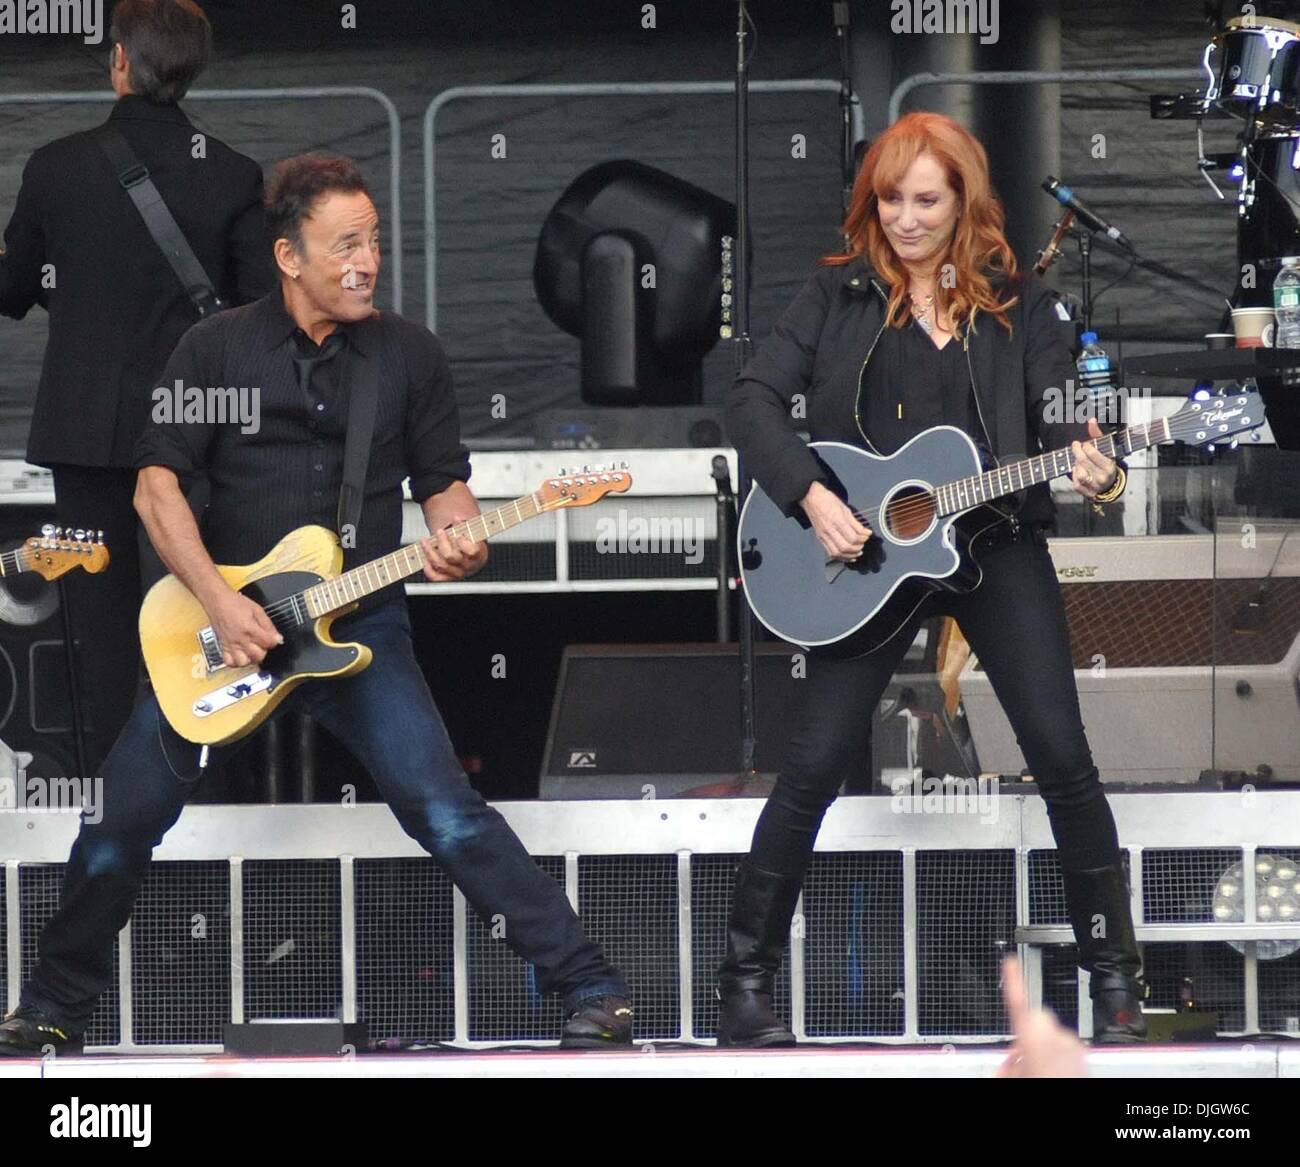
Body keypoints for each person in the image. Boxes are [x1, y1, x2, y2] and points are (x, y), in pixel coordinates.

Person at [0, 153, 633, 1055]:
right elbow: (154, 491)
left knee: (445, 809)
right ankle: (56, 1006)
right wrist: (220, 602)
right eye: (345, 245)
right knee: (120, 819)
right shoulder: (213, 350)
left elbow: (446, 490)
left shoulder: (410, 355)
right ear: (289, 255)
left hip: (358, 621)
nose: (367, 261)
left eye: (373, 242)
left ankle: (593, 986)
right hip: (223, 628)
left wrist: (465, 540)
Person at [718, 111, 1144, 1047]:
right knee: (815, 763)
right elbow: (749, 398)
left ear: (963, 202)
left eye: (926, 201)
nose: (906, 220)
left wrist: (1094, 460)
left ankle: (1115, 983)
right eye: (891, 199)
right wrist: (812, 496)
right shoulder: (839, 294)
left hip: (993, 549)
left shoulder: (1018, 302)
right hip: (868, 554)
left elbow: (1061, 408)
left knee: (1064, 758)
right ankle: (745, 984)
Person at [0, 0, 275, 774]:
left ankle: (111, 805)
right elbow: (259, 317)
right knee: (207, 616)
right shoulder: (232, 174)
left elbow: (13, 288)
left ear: (120, 60)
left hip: (85, 434)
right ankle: (207, 791)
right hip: (196, 438)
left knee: (101, 628)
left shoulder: (56, 166)